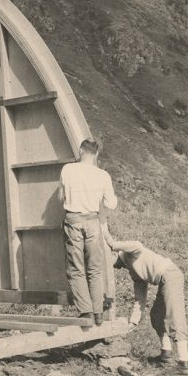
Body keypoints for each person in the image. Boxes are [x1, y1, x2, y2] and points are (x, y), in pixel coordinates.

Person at [103, 229, 188, 375]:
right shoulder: (133, 270)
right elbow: (140, 297)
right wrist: (134, 321)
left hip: (171, 275)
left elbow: (137, 244)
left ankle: (184, 363)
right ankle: (166, 354)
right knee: (156, 315)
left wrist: (112, 244)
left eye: (111, 263)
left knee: (174, 317)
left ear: (113, 254)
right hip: (164, 281)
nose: (115, 267)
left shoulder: (130, 252)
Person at [60, 139, 117, 325]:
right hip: (93, 221)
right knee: (94, 269)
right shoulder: (103, 175)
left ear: (80, 150)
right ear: (97, 154)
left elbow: (61, 197)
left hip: (73, 220)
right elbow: (111, 204)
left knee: (76, 268)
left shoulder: (68, 169)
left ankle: (86, 312)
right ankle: (98, 312)